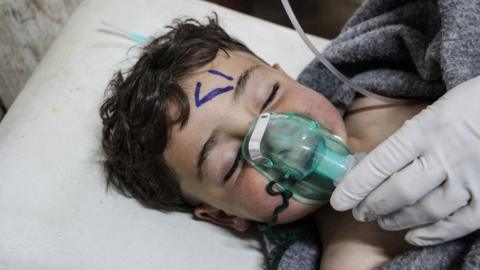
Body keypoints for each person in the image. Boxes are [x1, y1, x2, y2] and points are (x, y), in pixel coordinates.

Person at [99, 15, 440, 270]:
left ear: (284, 75)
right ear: (224, 215)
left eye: (270, 96)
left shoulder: (383, 93)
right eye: (232, 161)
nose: (283, 141)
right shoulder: (354, 260)